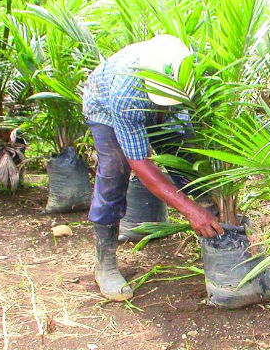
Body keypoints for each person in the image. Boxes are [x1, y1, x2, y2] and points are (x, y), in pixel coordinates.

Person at [82, 34, 224, 301]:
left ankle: (219, 234)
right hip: (104, 108)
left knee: (186, 153)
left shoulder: (193, 68)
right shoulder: (126, 93)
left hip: (167, 104)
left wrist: (212, 198)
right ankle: (105, 263)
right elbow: (141, 164)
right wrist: (190, 210)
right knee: (115, 170)